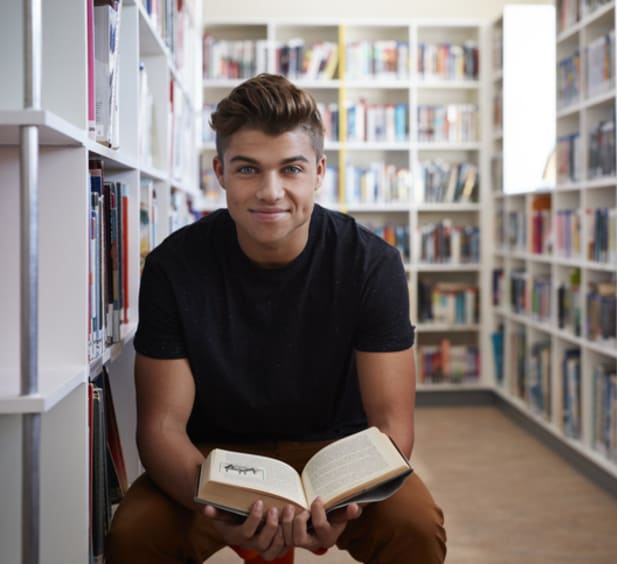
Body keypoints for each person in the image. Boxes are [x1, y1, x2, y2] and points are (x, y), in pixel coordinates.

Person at [105, 73, 447, 563]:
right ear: (220, 171)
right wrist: (222, 507)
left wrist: (342, 505)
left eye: (290, 169)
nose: (270, 191)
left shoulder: (372, 263)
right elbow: (160, 429)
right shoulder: (171, 268)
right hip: (215, 460)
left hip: (339, 457)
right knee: (135, 536)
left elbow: (392, 424)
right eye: (248, 170)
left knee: (415, 528)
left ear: (319, 172)